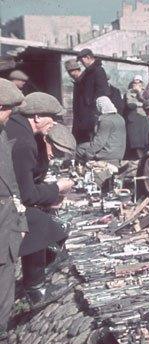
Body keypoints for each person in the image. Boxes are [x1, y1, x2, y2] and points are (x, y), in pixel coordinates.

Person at [5, 92, 75, 308]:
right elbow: (26, 194)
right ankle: (36, 290)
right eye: (51, 118)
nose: (53, 123)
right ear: (36, 117)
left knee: (41, 221)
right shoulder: (25, 142)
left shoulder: (19, 130)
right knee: (39, 223)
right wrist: (56, 189)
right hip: (5, 203)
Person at [0, 79, 28, 342]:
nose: (10, 117)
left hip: (7, 218)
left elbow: (13, 186)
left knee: (6, 271)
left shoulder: (3, 135)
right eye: (7, 110)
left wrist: (20, 222)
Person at [76, 96, 126, 162]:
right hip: (119, 153)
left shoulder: (106, 121)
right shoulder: (120, 117)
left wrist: (88, 154)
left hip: (108, 153)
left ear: (99, 107)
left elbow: (99, 142)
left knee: (79, 148)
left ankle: (88, 167)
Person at [75, 48, 109, 144]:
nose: (82, 63)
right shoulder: (88, 72)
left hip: (93, 112)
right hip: (87, 111)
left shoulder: (98, 71)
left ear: (88, 57)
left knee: (93, 138)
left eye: (82, 61)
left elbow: (103, 91)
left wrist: (94, 105)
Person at [124, 75, 149, 159]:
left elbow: (148, 103)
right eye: (134, 82)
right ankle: (140, 158)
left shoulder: (145, 92)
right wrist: (141, 104)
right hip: (134, 119)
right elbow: (130, 104)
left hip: (144, 117)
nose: (136, 83)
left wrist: (139, 94)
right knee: (136, 142)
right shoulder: (129, 92)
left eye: (138, 82)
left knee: (146, 140)